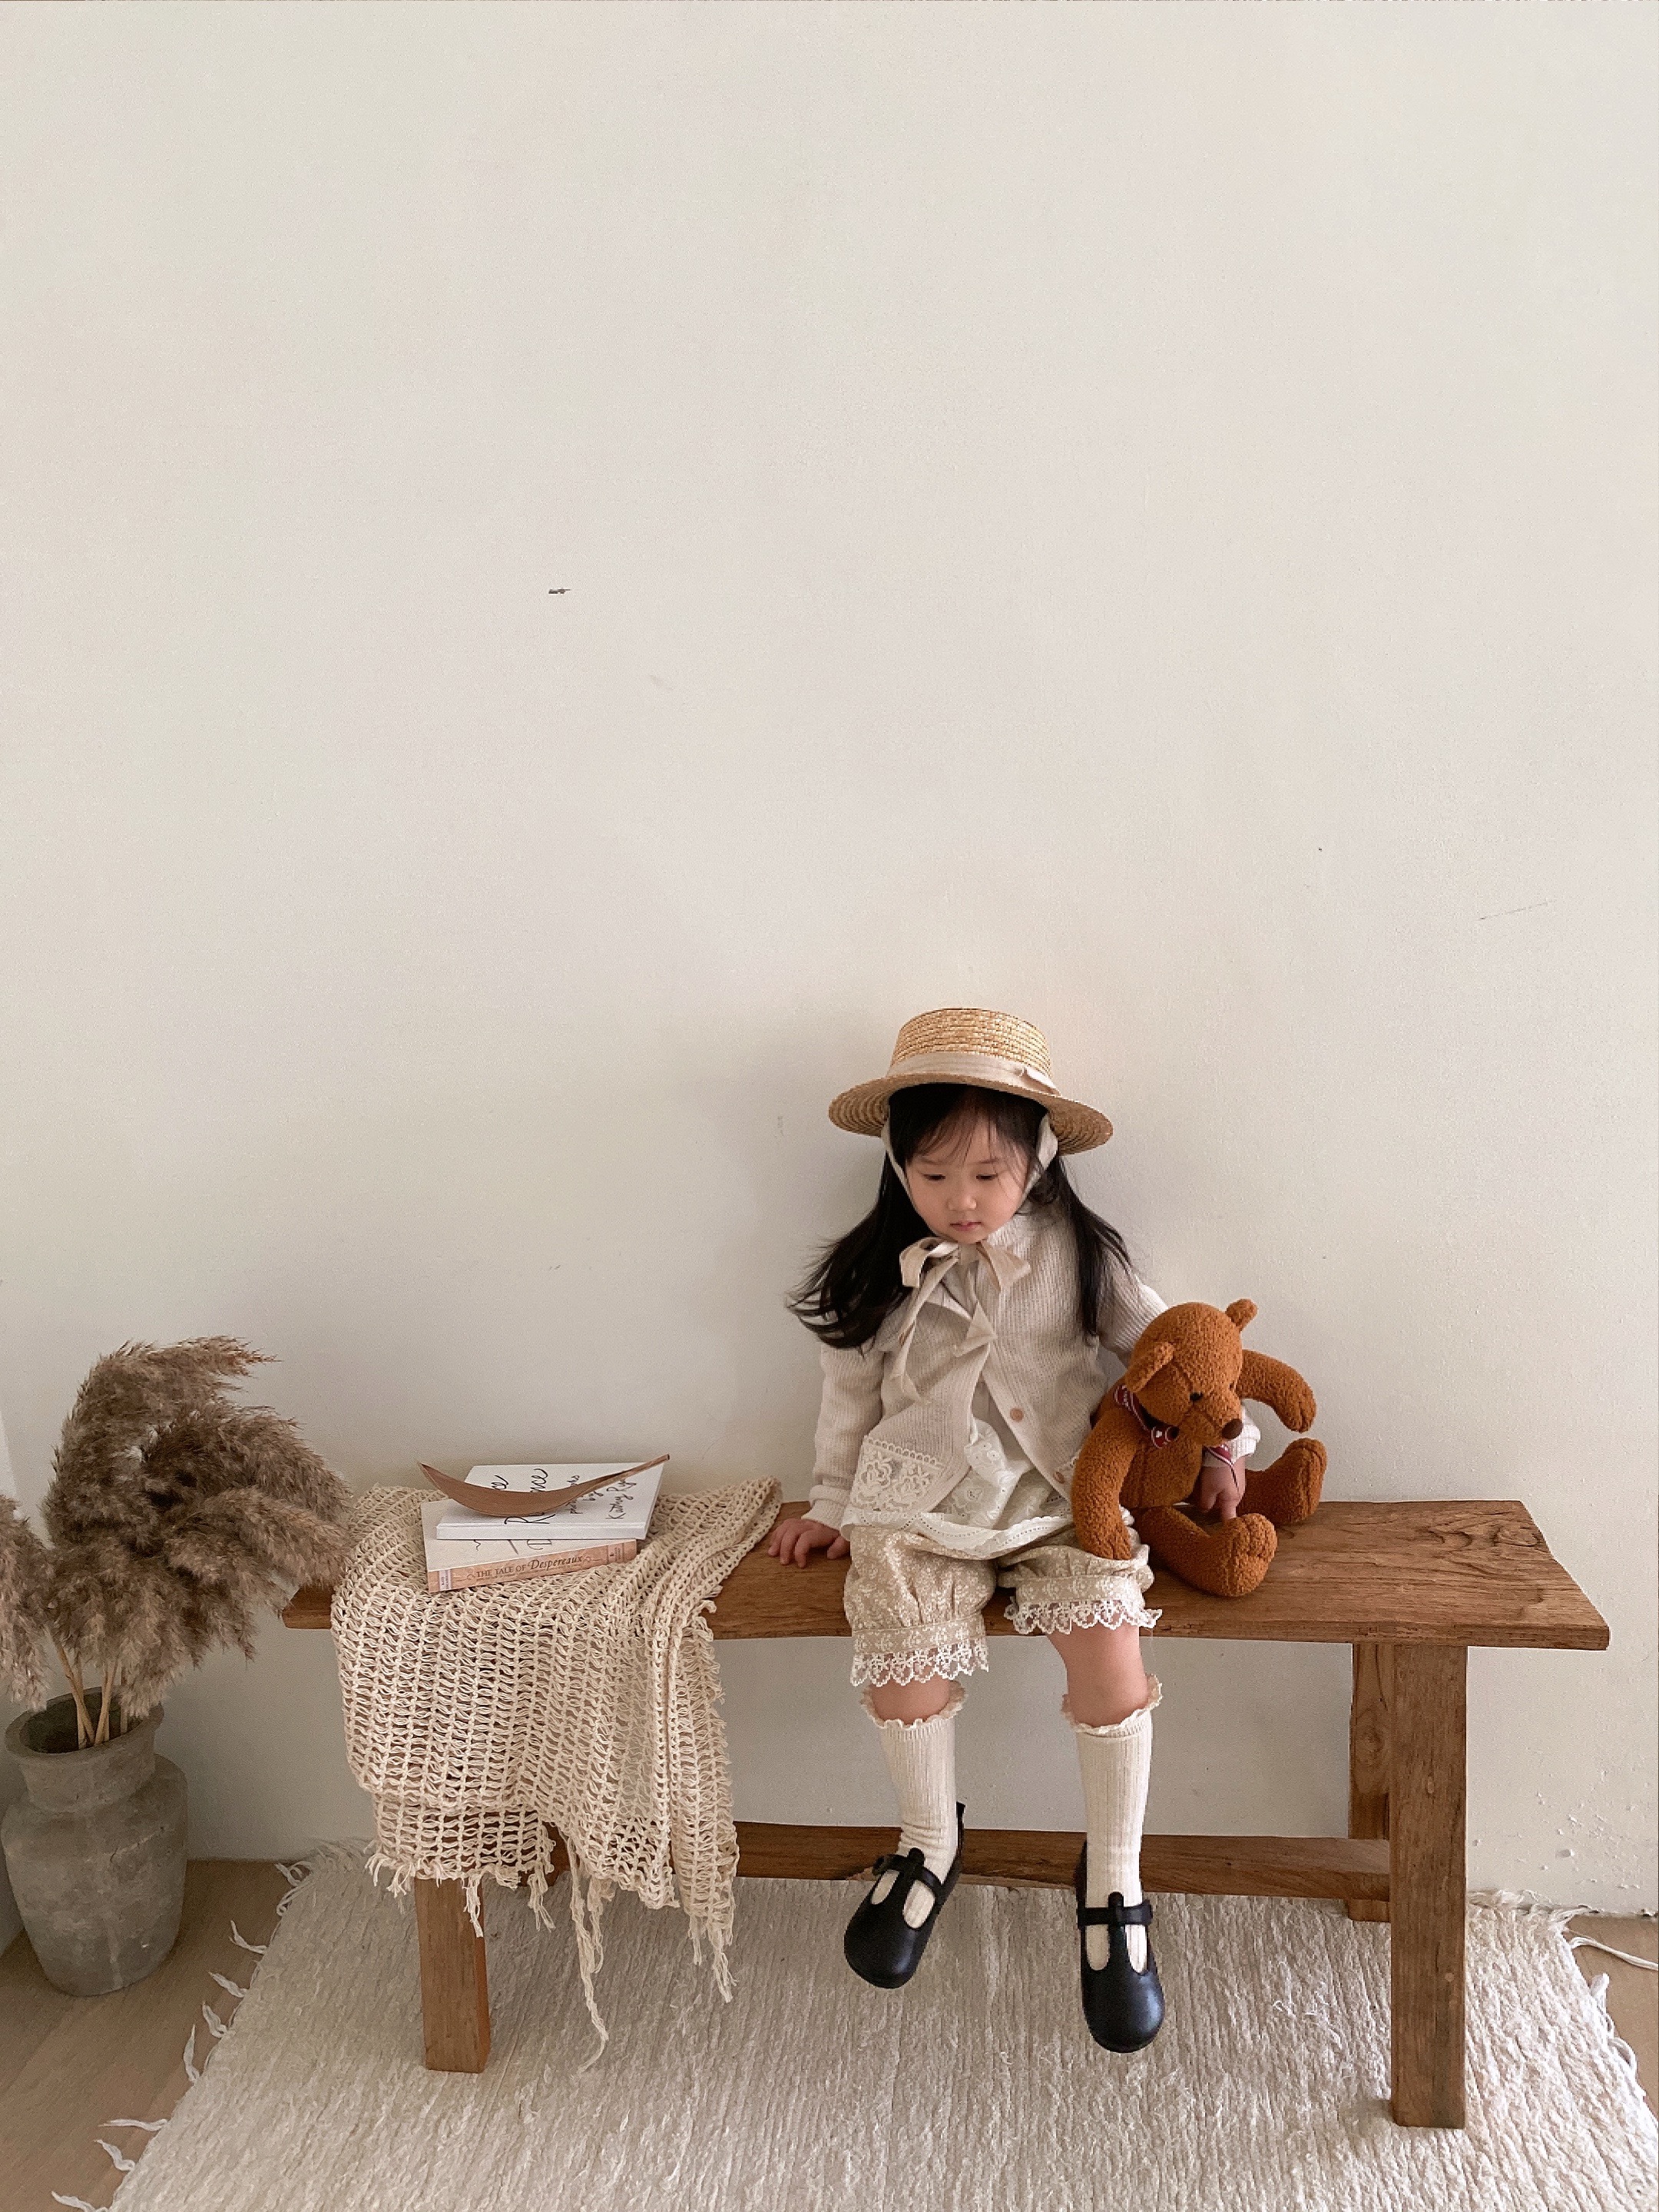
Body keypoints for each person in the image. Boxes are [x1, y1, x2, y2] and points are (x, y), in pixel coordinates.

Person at [773, 1007, 1257, 2052]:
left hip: (1064, 1494)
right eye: (935, 1174)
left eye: (989, 1173)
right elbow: (847, 1401)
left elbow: (1179, 1354)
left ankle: (1114, 1877)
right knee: (899, 1648)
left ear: (1038, 1160)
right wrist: (828, 1504)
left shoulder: (1082, 1258)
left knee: (1109, 1645)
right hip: (920, 1500)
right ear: (898, 1166)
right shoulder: (881, 1269)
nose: (963, 1199)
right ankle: (927, 1841)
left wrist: (1225, 1449)